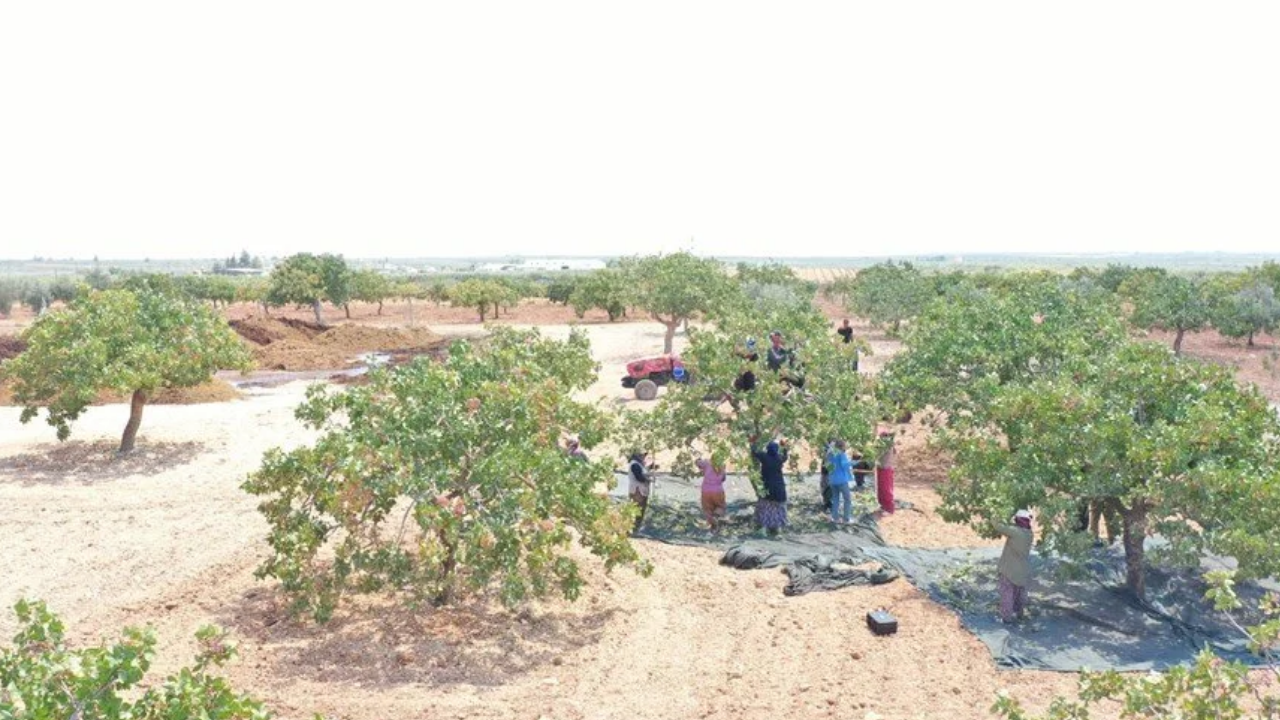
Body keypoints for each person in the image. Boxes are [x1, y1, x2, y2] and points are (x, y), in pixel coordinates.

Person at [996, 510, 1034, 623]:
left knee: (1007, 594)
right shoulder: (1029, 534)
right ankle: (1019, 615)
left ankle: (1006, 619)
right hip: (1022, 571)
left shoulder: (1015, 531)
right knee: (1018, 595)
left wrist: (995, 513)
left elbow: (998, 526)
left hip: (1009, 570)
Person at [751, 439, 789, 536]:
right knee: (778, 509)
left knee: (765, 508)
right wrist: (784, 447)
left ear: (768, 449)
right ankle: (778, 529)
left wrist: (752, 442)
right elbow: (785, 457)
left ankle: (764, 529)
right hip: (779, 488)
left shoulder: (764, 457)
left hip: (767, 487)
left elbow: (754, 452)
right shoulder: (779, 459)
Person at [694, 452, 728, 530]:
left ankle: (712, 524)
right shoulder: (722, 466)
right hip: (718, 491)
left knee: (707, 508)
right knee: (720, 506)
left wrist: (698, 458)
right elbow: (723, 478)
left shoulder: (707, 463)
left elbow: (697, 463)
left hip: (706, 491)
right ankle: (716, 516)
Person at [825, 440, 854, 524]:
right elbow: (845, 465)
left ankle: (835, 518)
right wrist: (854, 463)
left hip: (832, 480)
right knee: (847, 499)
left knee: (835, 499)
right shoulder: (841, 454)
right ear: (842, 446)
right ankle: (846, 519)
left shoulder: (829, 454)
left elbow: (828, 467)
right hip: (842, 480)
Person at [628, 451, 655, 533]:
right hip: (637, 491)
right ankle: (632, 528)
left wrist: (651, 467)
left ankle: (636, 528)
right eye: (642, 455)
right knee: (637, 510)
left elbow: (644, 471)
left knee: (641, 510)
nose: (644, 457)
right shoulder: (634, 464)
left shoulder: (640, 464)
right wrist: (648, 480)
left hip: (642, 491)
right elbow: (639, 477)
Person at [875, 430, 896, 514]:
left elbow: (877, 453)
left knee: (885, 489)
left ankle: (888, 508)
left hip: (885, 469)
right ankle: (883, 506)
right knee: (882, 488)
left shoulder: (886, 445)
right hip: (885, 468)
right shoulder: (888, 445)